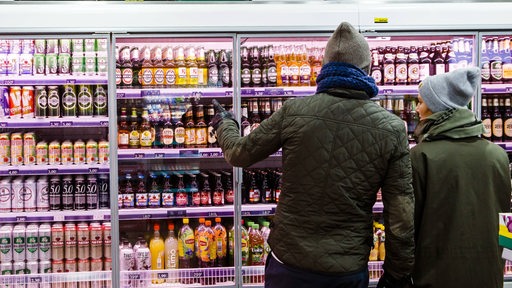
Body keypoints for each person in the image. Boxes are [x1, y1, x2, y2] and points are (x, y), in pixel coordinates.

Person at [212, 21, 414, 288]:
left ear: (324, 68)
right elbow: (401, 216)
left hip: (289, 263)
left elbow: (238, 153)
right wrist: (398, 275)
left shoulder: (295, 111)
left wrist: (225, 123)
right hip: (346, 267)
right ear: (367, 70)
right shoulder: (391, 128)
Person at [411, 67, 511, 288]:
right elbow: (507, 219)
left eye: (420, 102)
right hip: (489, 275)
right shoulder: (498, 155)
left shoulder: (421, 155)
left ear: (437, 106)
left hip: (436, 276)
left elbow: (410, 225)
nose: (417, 109)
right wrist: (503, 264)